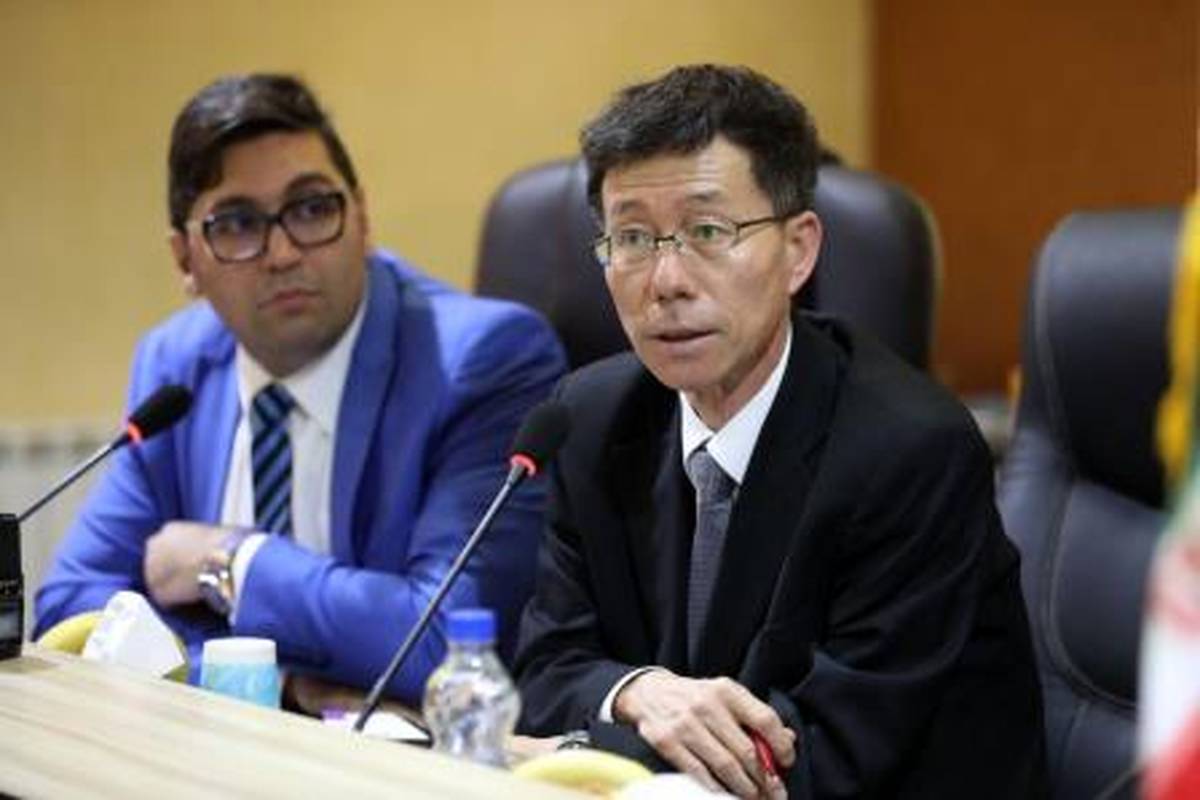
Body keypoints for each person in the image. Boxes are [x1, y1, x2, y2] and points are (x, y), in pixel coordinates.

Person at [513, 65, 1047, 799]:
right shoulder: (589, 419)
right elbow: (546, 669)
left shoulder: (910, 451)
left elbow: (822, 752)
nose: (665, 281)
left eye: (708, 231)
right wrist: (638, 691)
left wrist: (579, 747)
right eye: (632, 237)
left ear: (798, 250)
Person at [33, 74, 566, 703]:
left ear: (362, 218)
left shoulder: (480, 361)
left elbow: (446, 642)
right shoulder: (175, 365)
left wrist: (230, 561)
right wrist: (273, 686)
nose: (283, 252)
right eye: (237, 224)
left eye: (312, 209)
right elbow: (71, 612)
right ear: (185, 260)